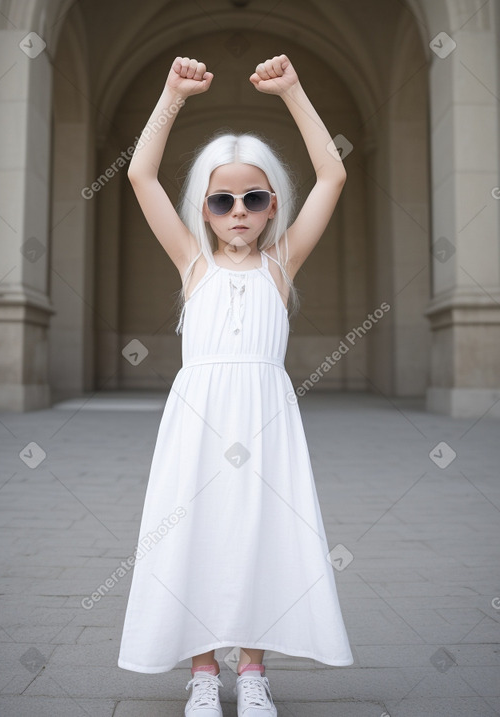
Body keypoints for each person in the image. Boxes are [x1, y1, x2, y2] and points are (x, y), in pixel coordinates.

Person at [117, 54, 353, 717]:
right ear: (206, 209)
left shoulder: (283, 262)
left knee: (257, 535)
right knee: (197, 532)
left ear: (272, 203)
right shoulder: (193, 262)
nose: (239, 210)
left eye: (253, 197)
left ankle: (251, 669)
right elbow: (139, 174)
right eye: (223, 199)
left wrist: (294, 91)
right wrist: (169, 95)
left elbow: (333, 172)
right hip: (199, 417)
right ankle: (200, 672)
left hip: (265, 418)